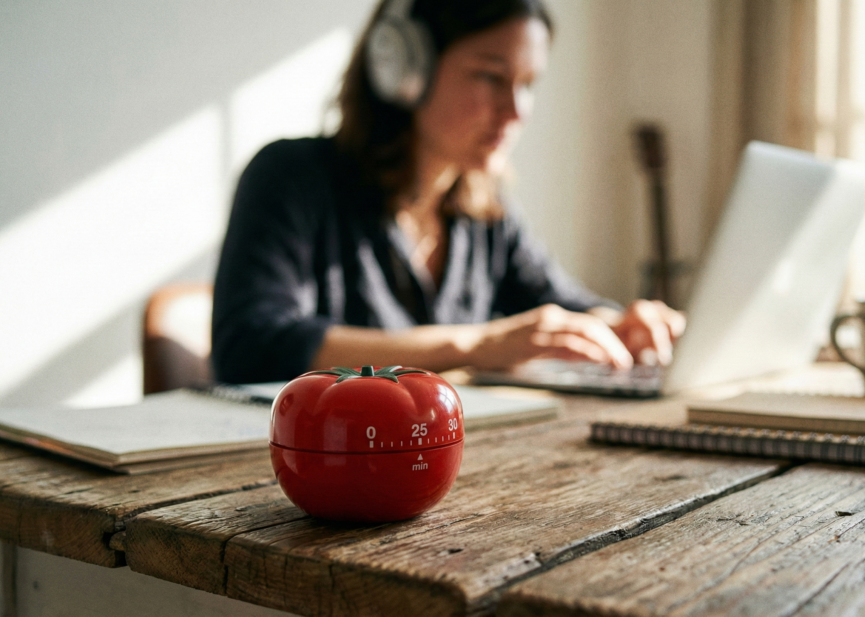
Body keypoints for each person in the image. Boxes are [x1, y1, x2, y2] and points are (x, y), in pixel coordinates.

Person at [212, 0, 684, 384]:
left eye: (527, 84)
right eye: (491, 77)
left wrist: (621, 322)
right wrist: (477, 345)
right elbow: (252, 347)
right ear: (402, 67)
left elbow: (558, 304)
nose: (516, 111)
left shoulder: (487, 209)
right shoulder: (292, 176)